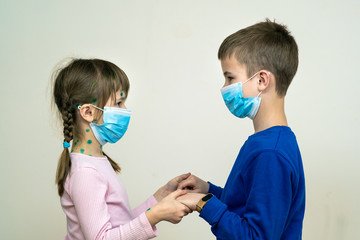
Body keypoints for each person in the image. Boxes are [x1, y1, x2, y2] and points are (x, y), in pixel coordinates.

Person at [177, 19, 305, 239]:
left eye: (230, 78)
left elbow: (256, 236)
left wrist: (202, 204)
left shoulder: (270, 154)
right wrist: (207, 190)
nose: (225, 87)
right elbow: (244, 205)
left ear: (262, 80)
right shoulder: (268, 143)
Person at [52, 58, 191, 240]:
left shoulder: (94, 162)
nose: (125, 109)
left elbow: (119, 224)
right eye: (118, 103)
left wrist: (158, 199)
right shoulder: (85, 172)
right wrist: (155, 215)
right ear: (88, 112)